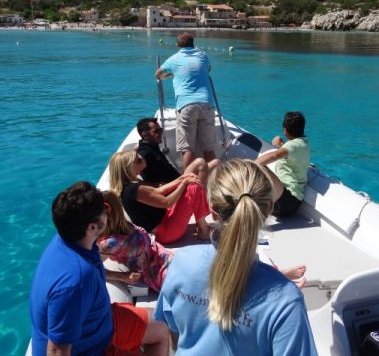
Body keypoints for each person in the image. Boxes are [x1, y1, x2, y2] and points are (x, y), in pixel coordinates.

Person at [154, 159, 318, 355]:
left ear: (213, 211)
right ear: (268, 209)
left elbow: (173, 332)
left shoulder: (181, 263)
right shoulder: (286, 301)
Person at [29, 181, 169, 356]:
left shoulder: (72, 239)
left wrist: (122, 277)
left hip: (98, 322)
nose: (107, 211)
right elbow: (56, 350)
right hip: (90, 348)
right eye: (105, 208)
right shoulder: (75, 282)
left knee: (162, 327)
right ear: (92, 227)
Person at [99, 190, 306, 293]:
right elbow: (93, 267)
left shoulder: (111, 239)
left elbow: (92, 265)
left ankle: (276, 277)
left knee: (222, 272)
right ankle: (275, 279)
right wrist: (123, 277)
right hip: (164, 265)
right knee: (218, 280)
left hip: (163, 265)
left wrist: (122, 276)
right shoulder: (119, 231)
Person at [109, 150, 210, 244]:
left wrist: (181, 179)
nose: (142, 161)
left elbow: (158, 191)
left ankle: (201, 224)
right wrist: (183, 183)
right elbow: (167, 202)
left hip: (164, 222)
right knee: (193, 188)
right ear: (129, 167)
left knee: (190, 183)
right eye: (138, 161)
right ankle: (203, 231)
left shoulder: (127, 186)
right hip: (165, 232)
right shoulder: (133, 189)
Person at [155, 32, 219, 171]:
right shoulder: (202, 55)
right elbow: (208, 69)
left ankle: (188, 184)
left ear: (178, 45)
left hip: (186, 105)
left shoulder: (174, 59)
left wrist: (170, 74)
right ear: (193, 43)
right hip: (207, 104)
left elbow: (158, 74)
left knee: (187, 148)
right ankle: (215, 181)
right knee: (208, 149)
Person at [98, 190, 174, 292]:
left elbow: (94, 268)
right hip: (165, 257)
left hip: (158, 273)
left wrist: (122, 276)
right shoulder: (125, 225)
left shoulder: (109, 243)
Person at [256, 111, 310, 217]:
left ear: (285, 130)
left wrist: (249, 164)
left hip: (285, 200)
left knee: (259, 167)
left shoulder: (293, 146)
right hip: (292, 204)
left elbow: (275, 156)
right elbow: (292, 151)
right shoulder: (303, 144)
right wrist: (281, 144)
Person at [136, 117, 217, 187]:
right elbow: (127, 176)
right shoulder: (145, 153)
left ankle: (201, 193)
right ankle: (198, 197)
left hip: (178, 181)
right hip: (174, 188)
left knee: (215, 163)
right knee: (201, 162)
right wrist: (154, 186)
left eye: (161, 130)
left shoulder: (152, 145)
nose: (160, 133)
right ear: (144, 134)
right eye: (156, 131)